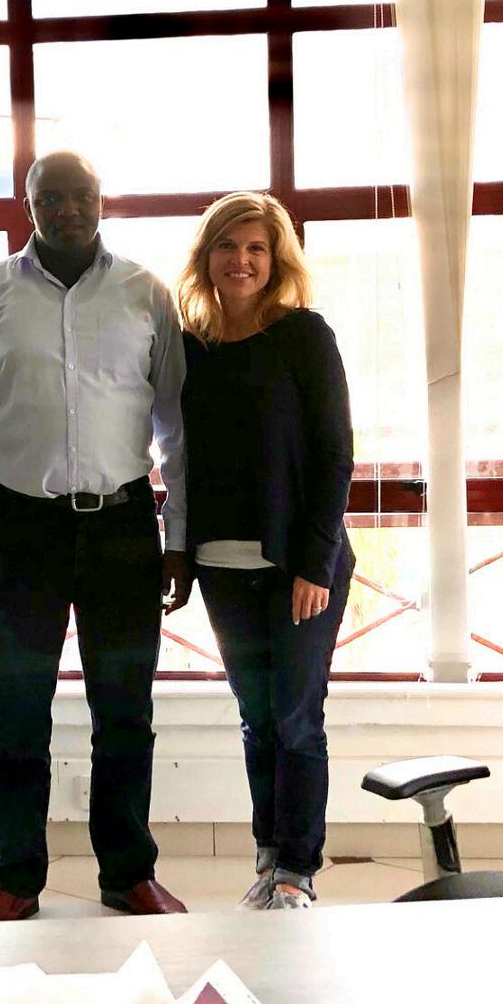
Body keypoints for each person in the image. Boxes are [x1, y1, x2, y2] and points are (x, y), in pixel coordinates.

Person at [0, 151, 191, 922]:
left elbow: (178, 429)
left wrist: (177, 537)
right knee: (18, 715)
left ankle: (128, 872)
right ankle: (15, 878)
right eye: (51, 198)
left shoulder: (145, 292)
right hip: (21, 531)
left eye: (81, 195)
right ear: (29, 207)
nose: (68, 209)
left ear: (101, 199)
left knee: (126, 713)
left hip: (123, 528)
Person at [174, 192, 354, 912]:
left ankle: (298, 870)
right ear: (207, 257)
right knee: (256, 717)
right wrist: (179, 553)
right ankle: (270, 854)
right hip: (222, 565)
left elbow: (336, 454)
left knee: (296, 718)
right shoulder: (190, 346)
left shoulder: (304, 335)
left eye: (256, 248)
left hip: (299, 567)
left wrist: (315, 563)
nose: (241, 260)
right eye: (228, 246)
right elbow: (178, 456)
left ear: (276, 261)